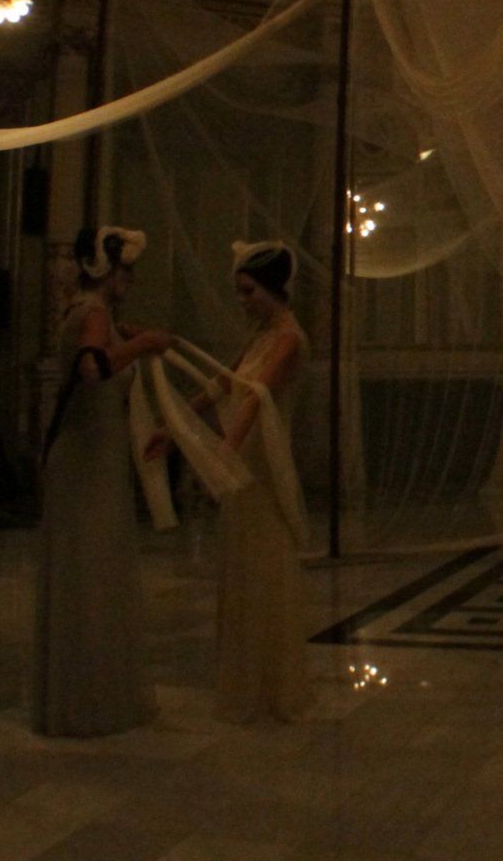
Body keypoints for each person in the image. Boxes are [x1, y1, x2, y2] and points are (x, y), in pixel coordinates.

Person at [30, 225, 172, 737]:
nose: (130, 280)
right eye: (125, 271)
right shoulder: (92, 312)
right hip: (87, 462)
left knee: (87, 575)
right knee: (91, 576)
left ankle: (82, 698)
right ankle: (91, 702)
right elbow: (91, 368)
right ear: (107, 272)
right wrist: (144, 345)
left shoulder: (88, 311)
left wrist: (126, 337)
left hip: (90, 458)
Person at [190, 239, 312, 722]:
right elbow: (225, 382)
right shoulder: (262, 335)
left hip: (261, 465)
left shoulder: (288, 338)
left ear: (273, 288)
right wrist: (176, 419)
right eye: (239, 292)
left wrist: (226, 449)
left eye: (249, 291)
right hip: (246, 462)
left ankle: (270, 684)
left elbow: (256, 398)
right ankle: (246, 677)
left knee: (264, 563)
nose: (242, 302)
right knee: (241, 564)